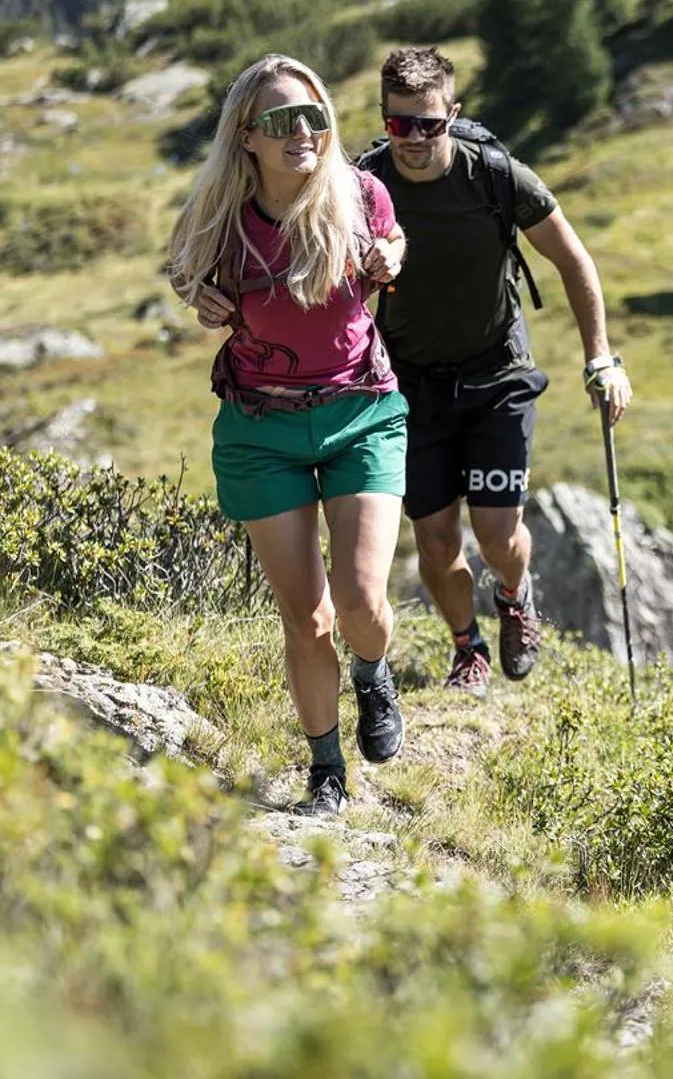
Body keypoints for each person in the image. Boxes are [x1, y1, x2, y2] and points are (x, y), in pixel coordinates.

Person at [168, 53, 410, 816]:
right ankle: (326, 774)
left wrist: (391, 257)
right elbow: (183, 272)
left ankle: (372, 674)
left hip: (361, 411)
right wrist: (199, 296)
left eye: (313, 117)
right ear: (247, 137)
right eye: (279, 121)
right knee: (306, 618)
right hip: (260, 428)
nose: (301, 132)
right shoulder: (221, 216)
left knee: (361, 599)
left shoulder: (359, 194)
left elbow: (393, 244)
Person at [356, 45, 632, 698]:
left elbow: (574, 262)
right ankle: (467, 649)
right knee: (434, 537)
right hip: (409, 384)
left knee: (497, 532)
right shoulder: (363, 185)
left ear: (452, 113)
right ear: (384, 118)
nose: (414, 140)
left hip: (496, 373)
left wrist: (600, 357)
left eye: (429, 123)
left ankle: (513, 593)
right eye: (400, 124)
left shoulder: (498, 177)